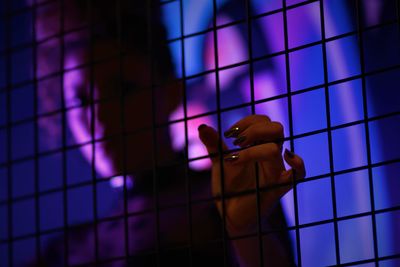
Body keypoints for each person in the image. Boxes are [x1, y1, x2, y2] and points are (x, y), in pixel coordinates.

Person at [33, 0, 305, 266]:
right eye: (80, 100)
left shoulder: (233, 198)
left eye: (123, 89)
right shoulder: (68, 251)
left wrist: (246, 231)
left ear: (172, 91)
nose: (100, 115)